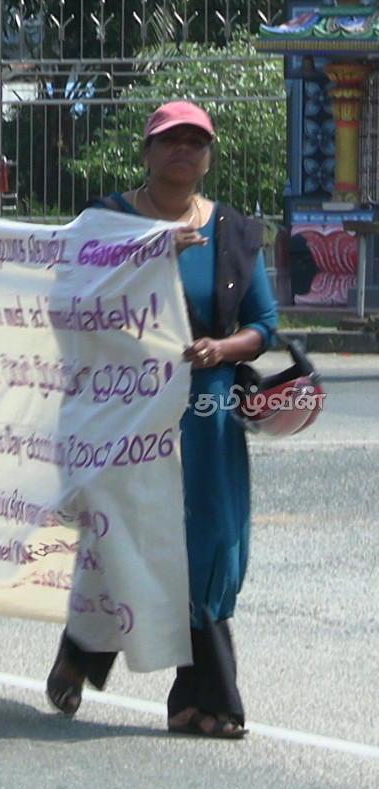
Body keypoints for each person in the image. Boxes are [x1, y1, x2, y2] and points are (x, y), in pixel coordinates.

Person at [45, 101, 278, 739]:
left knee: (207, 545)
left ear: (209, 156)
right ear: (147, 152)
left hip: (205, 415)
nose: (183, 151)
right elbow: (67, 301)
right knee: (122, 534)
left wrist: (221, 349)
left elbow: (263, 324)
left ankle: (186, 695)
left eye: (195, 142)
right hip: (124, 412)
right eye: (171, 140)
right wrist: (146, 251)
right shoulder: (106, 222)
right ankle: (94, 653)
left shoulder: (234, 231)